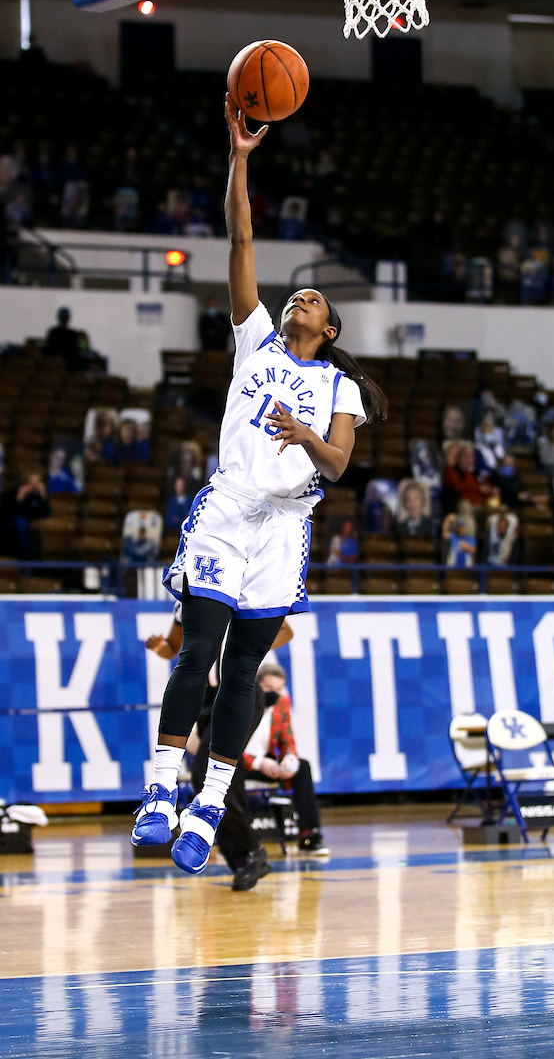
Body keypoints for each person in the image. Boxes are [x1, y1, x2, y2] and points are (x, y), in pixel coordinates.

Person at [131, 94, 386, 876]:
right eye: (295, 294)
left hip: (285, 528)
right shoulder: (256, 344)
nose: (297, 299)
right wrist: (240, 157)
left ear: (331, 330)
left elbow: (339, 466)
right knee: (198, 647)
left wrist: (306, 435)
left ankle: (211, 803)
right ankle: (161, 790)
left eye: (312, 299)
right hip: (230, 512)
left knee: (243, 670)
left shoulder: (339, 389)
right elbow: (240, 236)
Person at [145, 611, 295, 890]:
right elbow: (172, 647)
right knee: (222, 776)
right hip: (207, 699)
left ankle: (249, 852)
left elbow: (286, 631)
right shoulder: (188, 598)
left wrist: (248, 645)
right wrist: (159, 648)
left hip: (240, 690)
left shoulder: (241, 591)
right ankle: (243, 858)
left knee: (205, 771)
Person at [244, 659, 328, 856]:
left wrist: (289, 759)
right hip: (239, 762)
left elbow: (287, 739)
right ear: (257, 685)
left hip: (267, 763)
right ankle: (239, 843)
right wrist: (258, 762)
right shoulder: (242, 702)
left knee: (302, 767)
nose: (273, 693)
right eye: (268, 688)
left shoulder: (281, 704)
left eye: (279, 689)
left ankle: (309, 835)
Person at [0, 471, 49, 559]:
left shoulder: (39, 495)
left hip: (33, 522)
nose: (35, 486)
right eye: (32, 483)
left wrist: (43, 497)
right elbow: (10, 513)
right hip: (13, 522)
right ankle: (27, 559)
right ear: (25, 483)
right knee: (21, 523)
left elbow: (46, 513)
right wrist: (19, 499)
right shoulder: (13, 492)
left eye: (37, 483)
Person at [44, 306, 81, 372]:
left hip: (69, 365)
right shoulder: (53, 333)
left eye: (65, 317)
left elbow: (75, 351)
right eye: (62, 317)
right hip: (54, 363)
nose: (64, 319)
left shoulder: (73, 334)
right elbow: (49, 349)